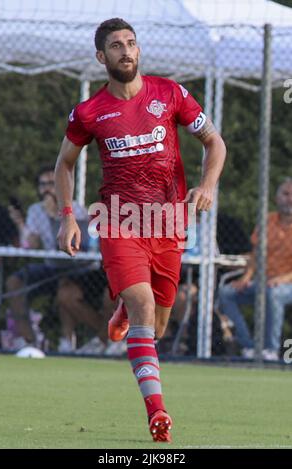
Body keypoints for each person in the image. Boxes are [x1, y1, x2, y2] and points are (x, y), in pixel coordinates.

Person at [54, 18, 226, 443]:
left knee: (158, 325)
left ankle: (124, 311)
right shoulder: (90, 112)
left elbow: (214, 142)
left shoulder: (170, 93)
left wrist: (206, 185)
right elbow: (65, 165)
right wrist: (68, 216)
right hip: (118, 221)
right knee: (145, 307)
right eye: (116, 46)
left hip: (168, 224)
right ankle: (157, 412)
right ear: (102, 57)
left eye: (131, 44)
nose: (126, 51)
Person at [6, 166, 105, 351]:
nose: (47, 189)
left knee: (65, 289)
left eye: (51, 184)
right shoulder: (36, 210)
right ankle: (29, 340)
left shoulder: (76, 209)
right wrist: (20, 223)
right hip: (51, 266)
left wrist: (56, 216)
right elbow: (32, 244)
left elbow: (78, 243)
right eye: (42, 184)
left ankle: (102, 335)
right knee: (14, 282)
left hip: (76, 267)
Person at [218, 179, 292, 361]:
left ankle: (270, 351)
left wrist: (282, 279)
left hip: (286, 284)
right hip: (264, 282)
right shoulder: (268, 220)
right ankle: (249, 347)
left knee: (273, 294)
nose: (290, 199)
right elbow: (255, 254)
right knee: (227, 293)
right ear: (276, 198)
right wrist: (246, 278)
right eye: (286, 194)